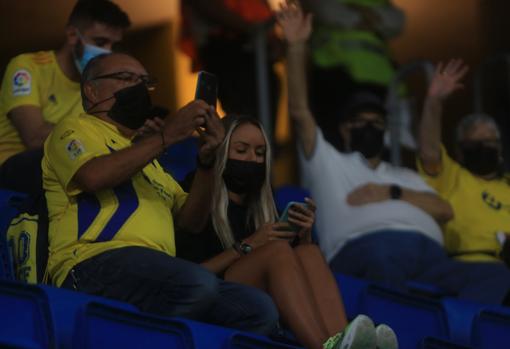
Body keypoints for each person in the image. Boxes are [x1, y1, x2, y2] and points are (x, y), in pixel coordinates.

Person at [281, 2, 510, 305]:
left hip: (430, 258)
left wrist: (391, 193)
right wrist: (296, 47)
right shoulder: (326, 161)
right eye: (359, 122)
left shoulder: (401, 176)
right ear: (345, 130)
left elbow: (443, 209)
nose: (369, 127)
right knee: (385, 261)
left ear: (386, 129)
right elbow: (298, 111)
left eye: (376, 122)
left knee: (495, 276)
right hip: (369, 249)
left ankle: (459, 331)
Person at [42, 52, 279, 334]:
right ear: (92, 91)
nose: (139, 87)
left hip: (156, 271)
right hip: (91, 262)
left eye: (144, 81)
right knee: (195, 284)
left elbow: (191, 221)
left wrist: (207, 162)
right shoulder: (74, 129)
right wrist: (167, 136)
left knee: (258, 310)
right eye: (125, 78)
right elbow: (93, 177)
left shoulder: (149, 161)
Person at [176, 114, 398, 349]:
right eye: (241, 151)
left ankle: (338, 340)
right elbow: (191, 275)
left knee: (308, 252)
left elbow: (294, 277)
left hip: (259, 295)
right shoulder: (196, 193)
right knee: (277, 251)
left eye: (260, 153)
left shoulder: (264, 207)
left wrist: (303, 236)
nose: (252, 159)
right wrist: (248, 245)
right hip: (214, 293)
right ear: (220, 151)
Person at [0, 0, 130, 195]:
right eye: (100, 42)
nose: (108, 52)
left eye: (114, 45)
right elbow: (34, 137)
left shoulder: (100, 85)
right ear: (71, 35)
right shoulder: (27, 67)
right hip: (17, 166)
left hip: (74, 162)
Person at [418, 59, 510, 264]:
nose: (483, 148)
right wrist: (433, 101)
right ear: (459, 151)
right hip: (476, 266)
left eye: (489, 142)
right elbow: (430, 152)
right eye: (473, 144)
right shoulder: (451, 177)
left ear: (500, 148)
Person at [299, 0, 404, 148]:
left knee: (377, 142)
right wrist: (369, 17)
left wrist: (355, 13)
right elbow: (324, 10)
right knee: (334, 142)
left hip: (377, 77)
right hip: (333, 74)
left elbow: (396, 21)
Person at [180, 0, 281, 134]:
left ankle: (262, 148)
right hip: (227, 48)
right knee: (244, 118)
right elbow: (206, 6)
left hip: (255, 48)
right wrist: (251, 28)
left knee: (264, 106)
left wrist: (269, 35)